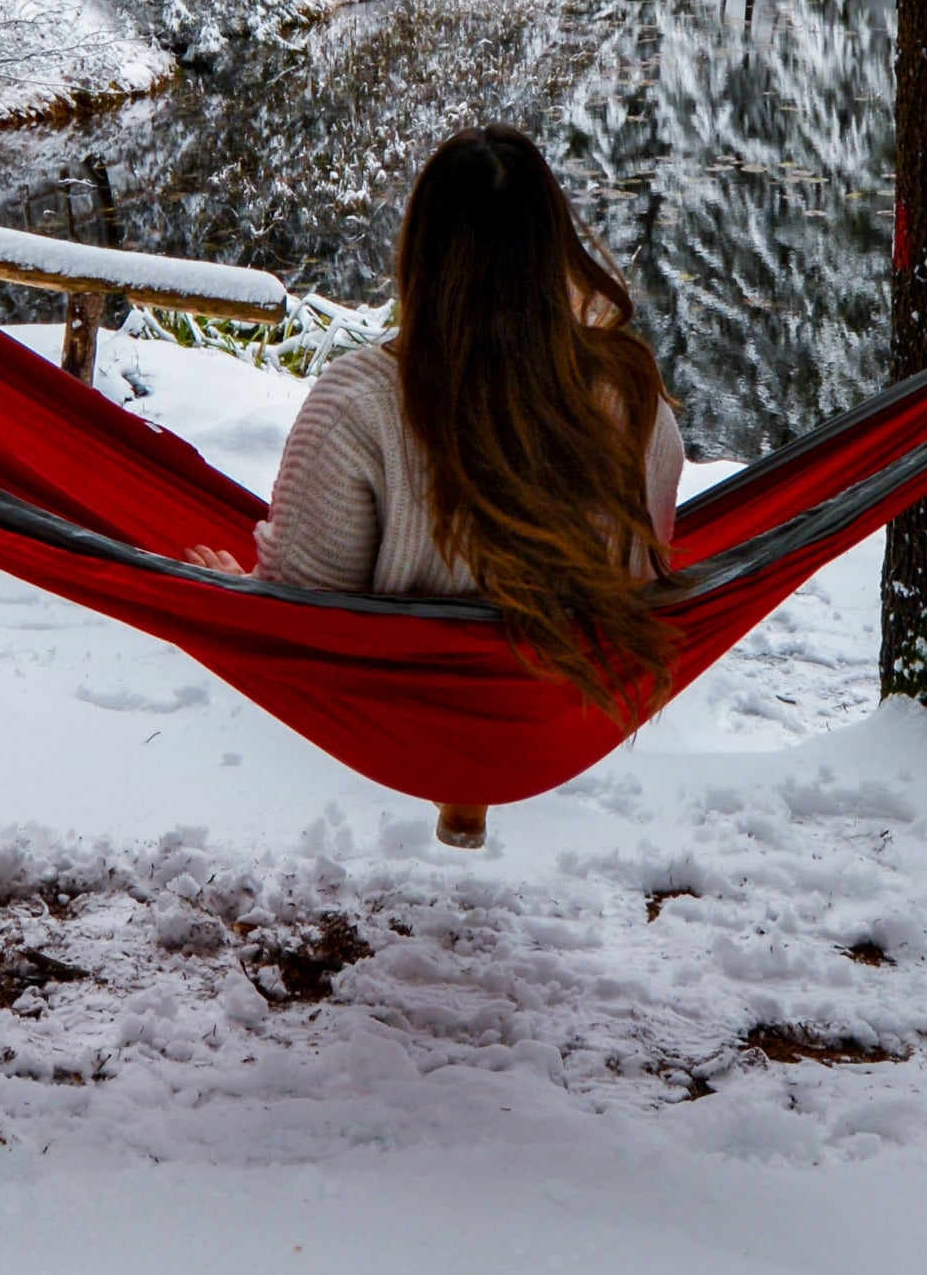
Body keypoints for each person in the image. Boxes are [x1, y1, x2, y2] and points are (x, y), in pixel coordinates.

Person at [253, 128, 683, 848]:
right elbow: (643, 582)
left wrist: (224, 599)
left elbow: (298, 617)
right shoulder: (638, 407)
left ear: (419, 251)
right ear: (554, 253)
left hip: (402, 723)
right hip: (564, 712)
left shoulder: (358, 405)